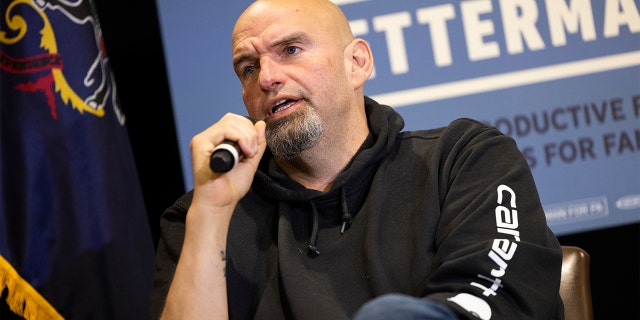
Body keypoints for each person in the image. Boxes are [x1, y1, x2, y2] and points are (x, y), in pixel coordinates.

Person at [149, 0, 565, 319]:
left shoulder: (463, 158)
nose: (267, 78)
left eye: (290, 49)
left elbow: (498, 299)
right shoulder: (200, 216)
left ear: (357, 63)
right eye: (247, 68)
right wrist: (211, 213)